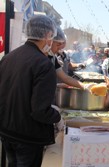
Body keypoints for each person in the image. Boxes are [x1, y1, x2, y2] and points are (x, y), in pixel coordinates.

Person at [0, 15, 62, 166]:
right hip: (28, 136)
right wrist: (57, 116)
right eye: (52, 37)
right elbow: (40, 111)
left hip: (6, 130)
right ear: (48, 35)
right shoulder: (43, 64)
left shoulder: (8, 57)